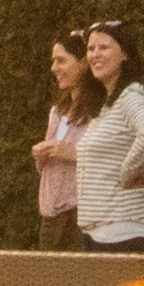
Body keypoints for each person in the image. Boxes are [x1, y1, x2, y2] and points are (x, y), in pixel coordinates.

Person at [65, 20, 144, 253]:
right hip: (99, 233)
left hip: (127, 232)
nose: (95, 55)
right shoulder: (107, 105)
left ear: (125, 54)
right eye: (91, 49)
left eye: (104, 47)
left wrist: (127, 173)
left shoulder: (132, 96)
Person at [31, 37, 93, 245]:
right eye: (53, 61)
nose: (54, 68)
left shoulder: (100, 111)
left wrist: (72, 154)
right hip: (50, 215)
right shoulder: (57, 112)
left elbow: (109, 160)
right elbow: (48, 168)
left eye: (61, 61)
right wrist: (41, 156)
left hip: (81, 213)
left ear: (83, 63)